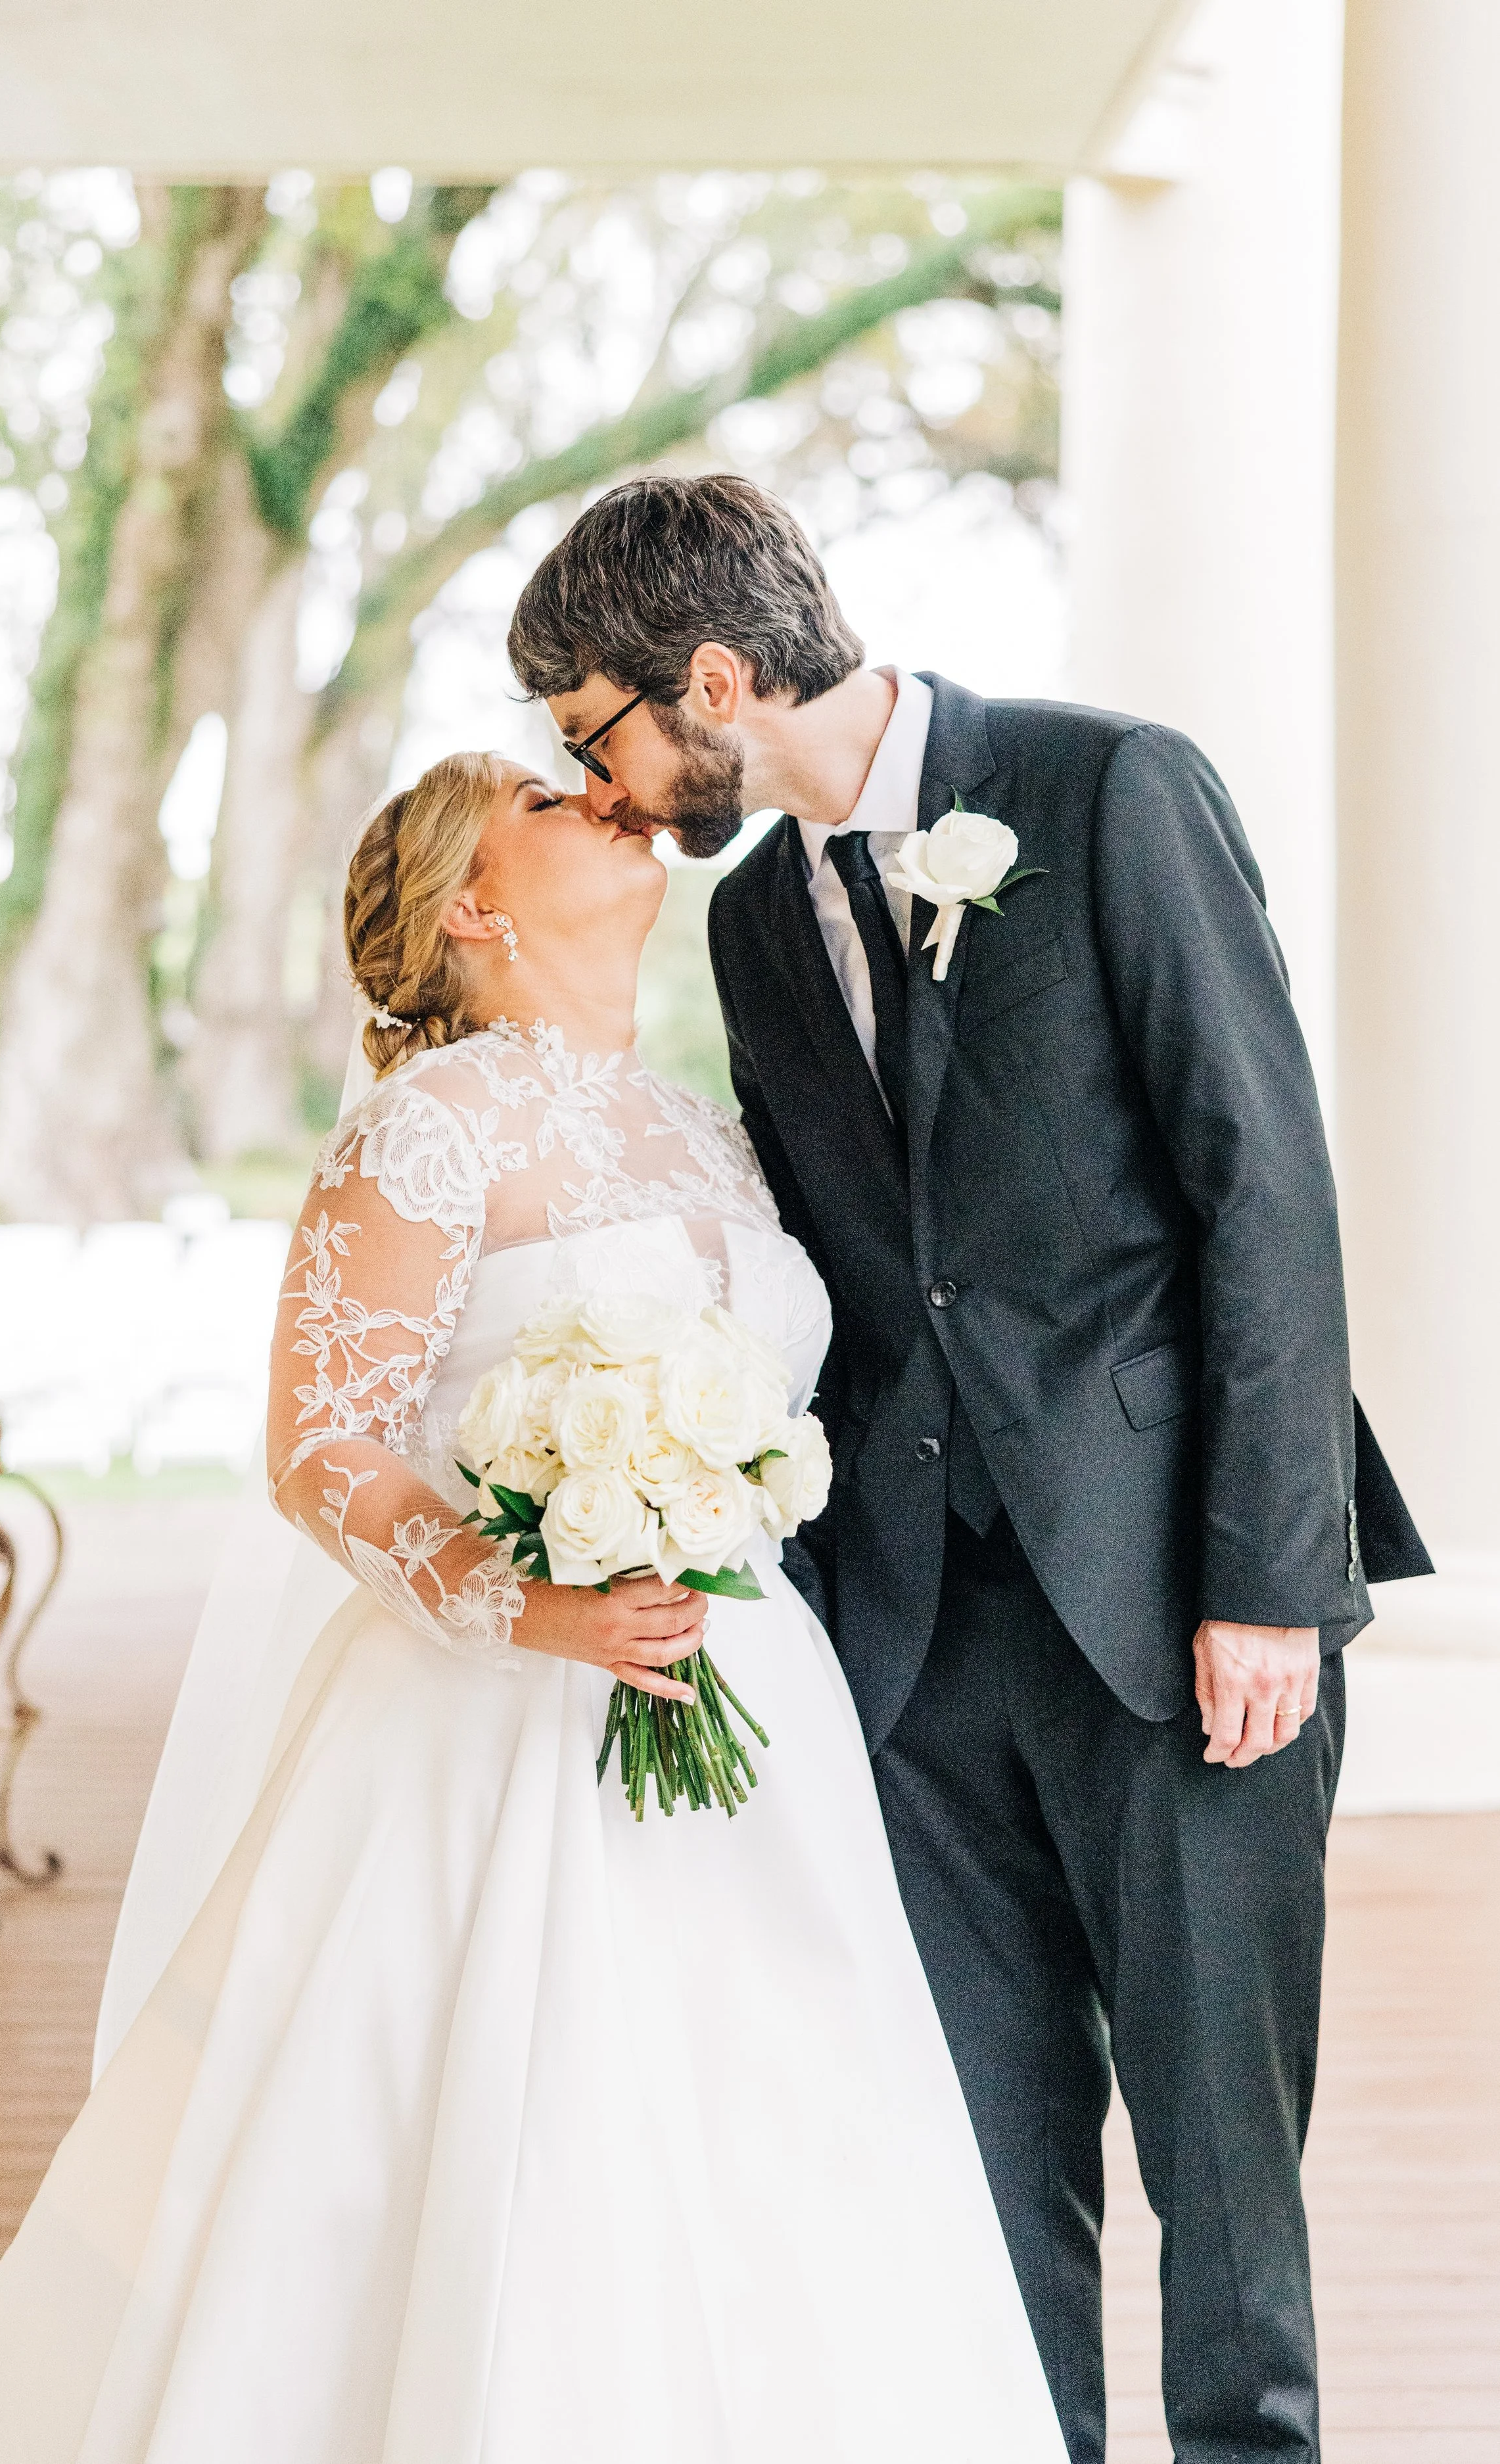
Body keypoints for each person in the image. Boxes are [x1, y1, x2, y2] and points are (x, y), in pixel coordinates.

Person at [0, 752, 1067, 2463]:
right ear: (468, 904)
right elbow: (322, 1446)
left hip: (751, 1708)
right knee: (506, 2135)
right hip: (496, 1715)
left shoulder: (701, 1124)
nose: (601, 791)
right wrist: (524, 1598)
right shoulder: (426, 1130)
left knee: (775, 2128)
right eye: (541, 793)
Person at [505, 473, 1432, 2464]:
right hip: (912, 1648)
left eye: (599, 729)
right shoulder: (758, 917)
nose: (596, 779)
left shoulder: (1114, 795)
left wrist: (1267, 1572)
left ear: (720, 679)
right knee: (987, 2174)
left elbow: (1262, 1183)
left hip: (1182, 1622)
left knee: (1222, 2175)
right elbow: (846, 1264)